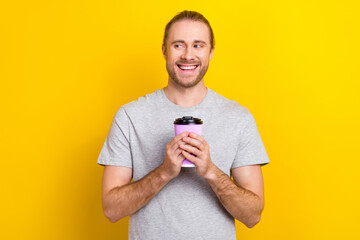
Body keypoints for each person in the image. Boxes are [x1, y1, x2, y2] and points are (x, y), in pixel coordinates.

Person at [97, 10, 270, 239]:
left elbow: (252, 216)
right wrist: (164, 172)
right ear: (164, 51)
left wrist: (210, 171)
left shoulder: (239, 118)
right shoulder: (130, 117)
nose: (188, 55)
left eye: (198, 45)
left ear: (211, 52)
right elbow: (111, 210)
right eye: (179, 45)